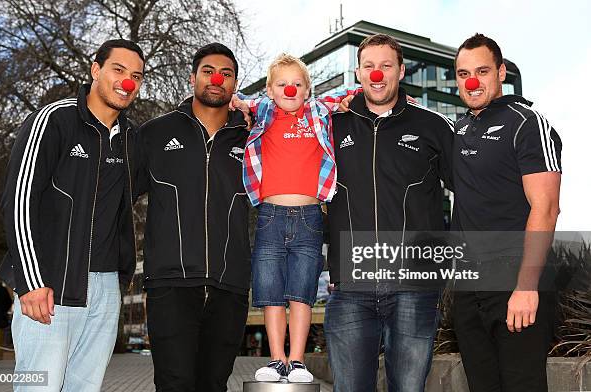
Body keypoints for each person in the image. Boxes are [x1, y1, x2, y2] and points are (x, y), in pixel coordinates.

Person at [0, 39, 144, 391]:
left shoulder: (132, 140)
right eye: (118, 70)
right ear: (96, 70)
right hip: (49, 286)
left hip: (105, 289)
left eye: (136, 76)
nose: (127, 82)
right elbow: (18, 201)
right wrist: (30, 282)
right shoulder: (54, 120)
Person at [324, 34, 454, 392]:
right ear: (358, 73)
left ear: (400, 72)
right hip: (350, 286)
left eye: (386, 65)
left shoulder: (433, 126)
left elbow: (470, 190)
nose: (377, 74)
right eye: (369, 66)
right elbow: (286, 111)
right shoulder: (331, 127)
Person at [134, 42, 251, 392]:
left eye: (226, 74)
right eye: (208, 71)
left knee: (214, 384)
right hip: (169, 284)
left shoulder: (253, 138)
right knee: (175, 383)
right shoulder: (154, 134)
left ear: (234, 85)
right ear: (193, 78)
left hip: (229, 286)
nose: (217, 78)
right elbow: (116, 197)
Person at [451, 33, 562, 392]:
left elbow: (546, 208)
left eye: (482, 71)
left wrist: (527, 286)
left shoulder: (527, 123)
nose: (472, 81)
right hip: (469, 289)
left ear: (501, 72)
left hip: (516, 283)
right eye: (463, 72)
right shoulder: (460, 128)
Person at [235, 54, 347, 383]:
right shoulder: (263, 111)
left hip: (310, 217)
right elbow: (239, 100)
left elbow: (345, 93)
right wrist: (236, 101)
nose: (290, 88)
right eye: (282, 83)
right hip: (270, 216)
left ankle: (297, 360)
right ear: (270, 90)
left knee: (301, 292)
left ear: (307, 89)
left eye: (297, 84)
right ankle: (277, 359)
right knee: (270, 292)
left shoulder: (317, 111)